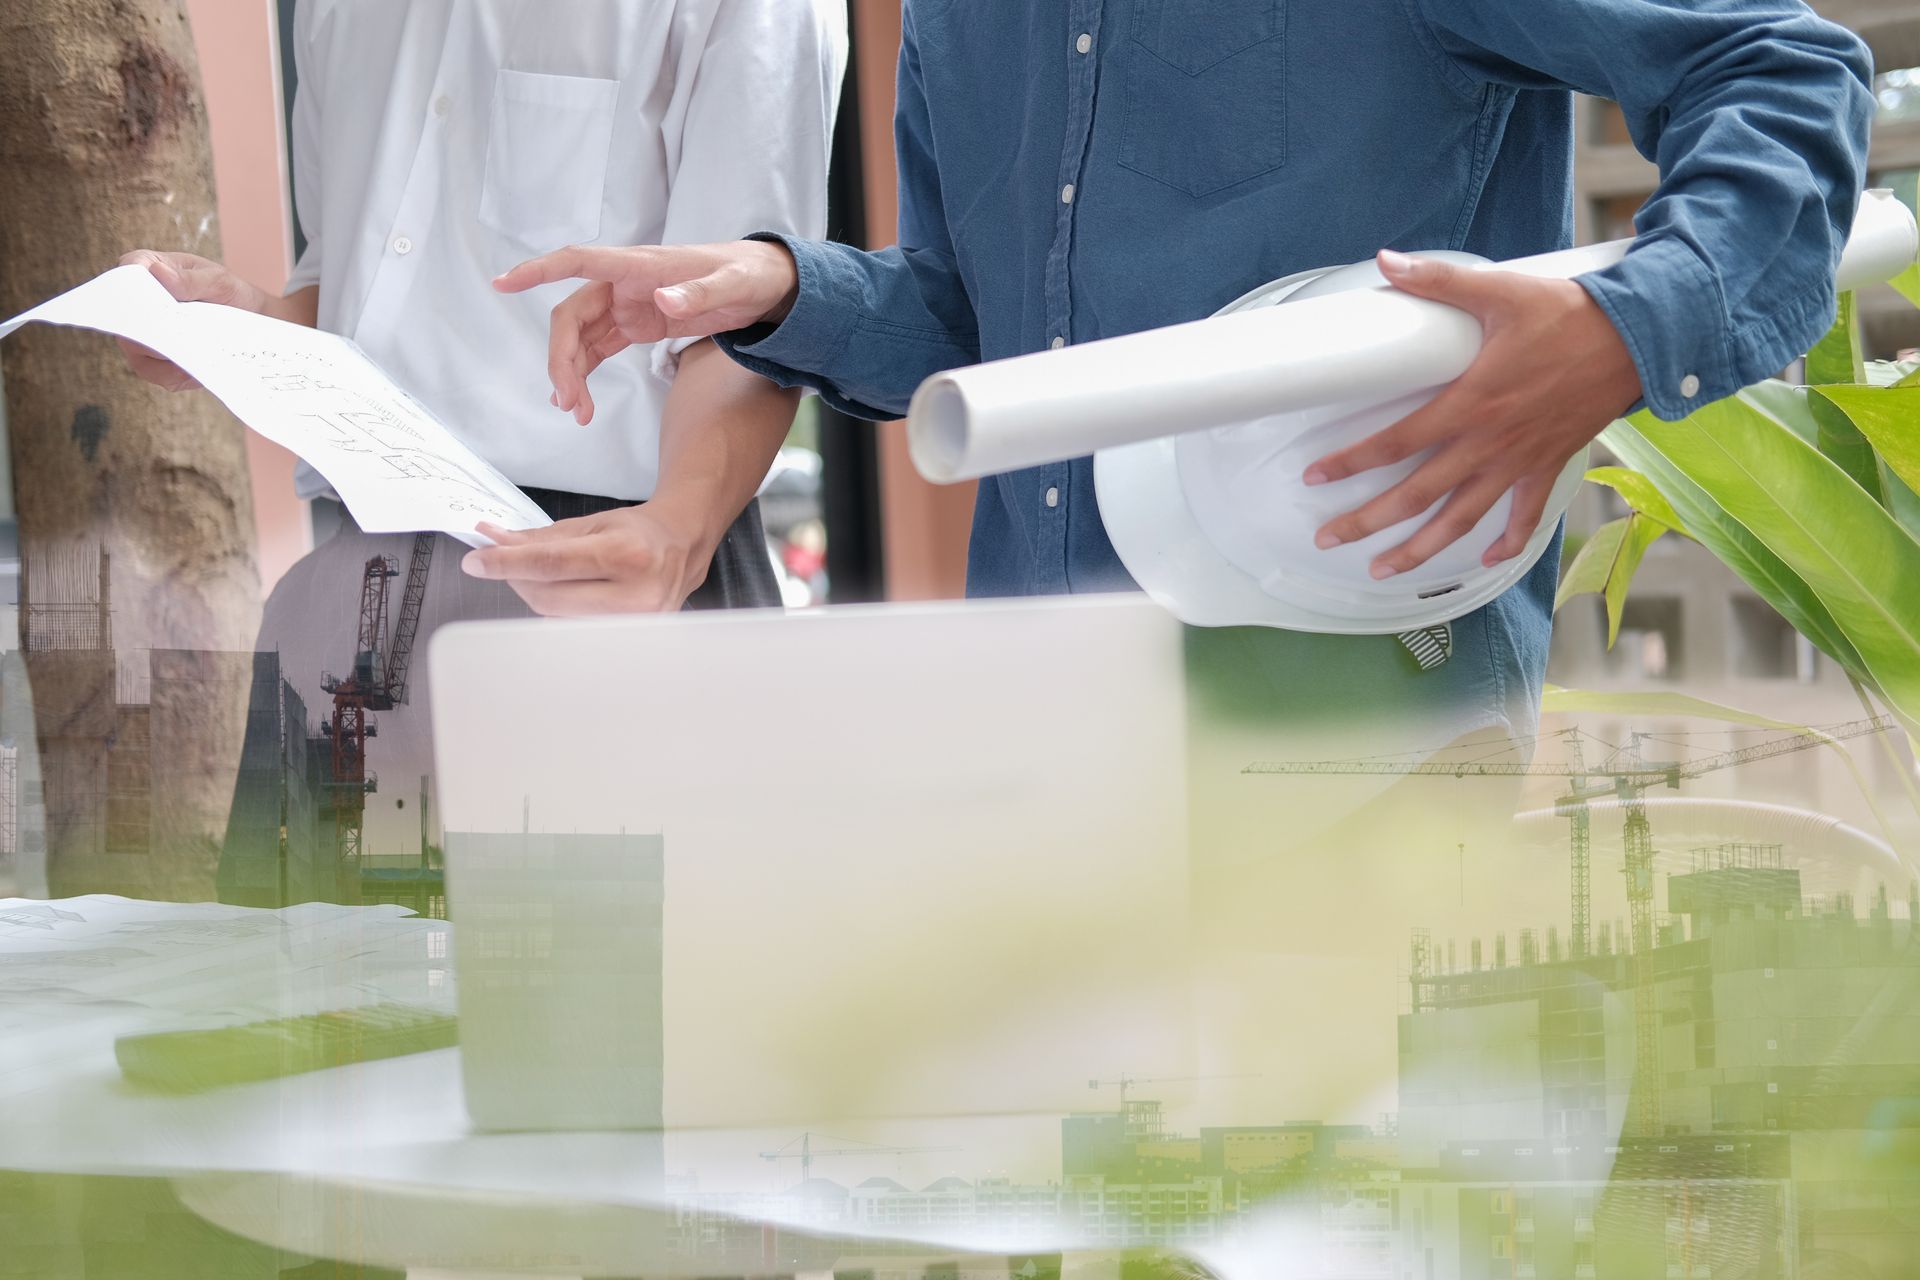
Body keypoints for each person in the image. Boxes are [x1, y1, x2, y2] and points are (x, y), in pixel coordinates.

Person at [479, 0, 1873, 753]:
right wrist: (791, 288)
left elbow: (1787, 68)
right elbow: (991, 327)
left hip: (1363, 722)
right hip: (1053, 717)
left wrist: (1635, 324)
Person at [117, 0, 846, 902]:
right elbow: (346, 288)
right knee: (305, 1031)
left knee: (637, 1031)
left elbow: (748, 319)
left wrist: (679, 537)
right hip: (343, 610)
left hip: (612, 598)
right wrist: (256, 324)